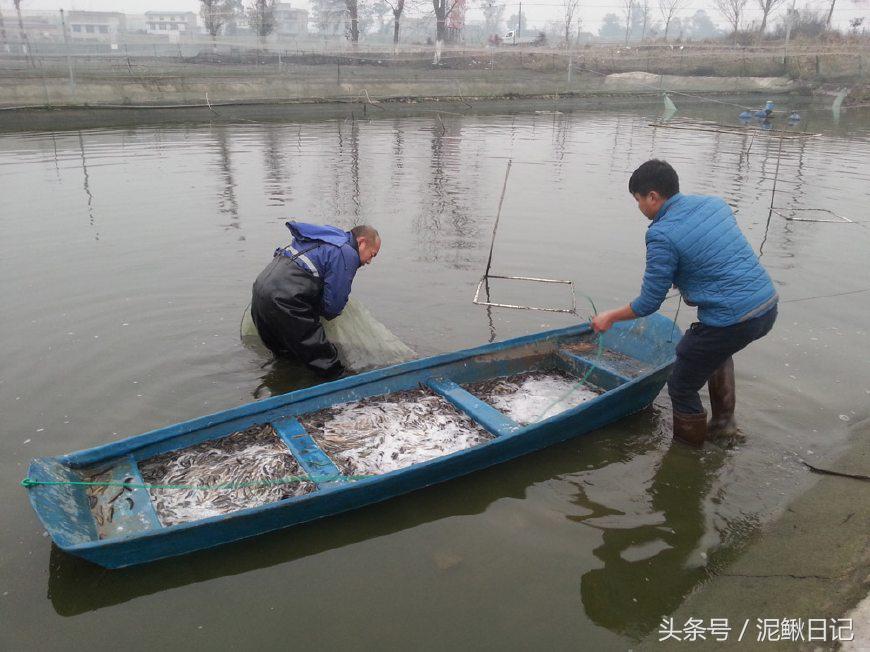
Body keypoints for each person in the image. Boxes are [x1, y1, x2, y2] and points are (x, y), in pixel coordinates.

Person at [591, 160, 778, 447]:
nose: (639, 207)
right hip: (766, 306)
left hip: (732, 320)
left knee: (680, 384)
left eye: (638, 200)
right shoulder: (714, 204)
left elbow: (648, 303)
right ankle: (724, 426)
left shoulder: (661, 234)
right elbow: (716, 254)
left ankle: (687, 453)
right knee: (716, 352)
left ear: (653, 196)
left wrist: (610, 317)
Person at [251, 221, 380, 379]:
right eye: (372, 254)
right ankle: (342, 385)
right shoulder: (347, 253)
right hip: (286, 301)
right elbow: (333, 307)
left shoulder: (324, 239)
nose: (369, 261)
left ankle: (282, 384)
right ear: (362, 242)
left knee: (287, 358)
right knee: (328, 364)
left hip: (259, 293)